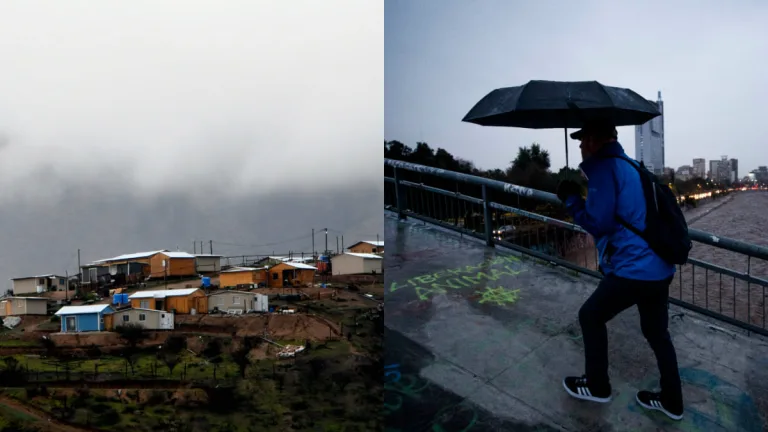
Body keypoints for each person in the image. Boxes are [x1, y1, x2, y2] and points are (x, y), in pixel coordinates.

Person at [555, 119, 684, 421]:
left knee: (590, 316)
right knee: (656, 333)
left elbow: (600, 224)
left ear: (598, 139)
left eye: (584, 138)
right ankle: (672, 401)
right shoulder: (632, 166)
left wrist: (572, 199)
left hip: (634, 270)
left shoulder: (603, 168)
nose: (581, 145)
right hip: (659, 268)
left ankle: (598, 386)